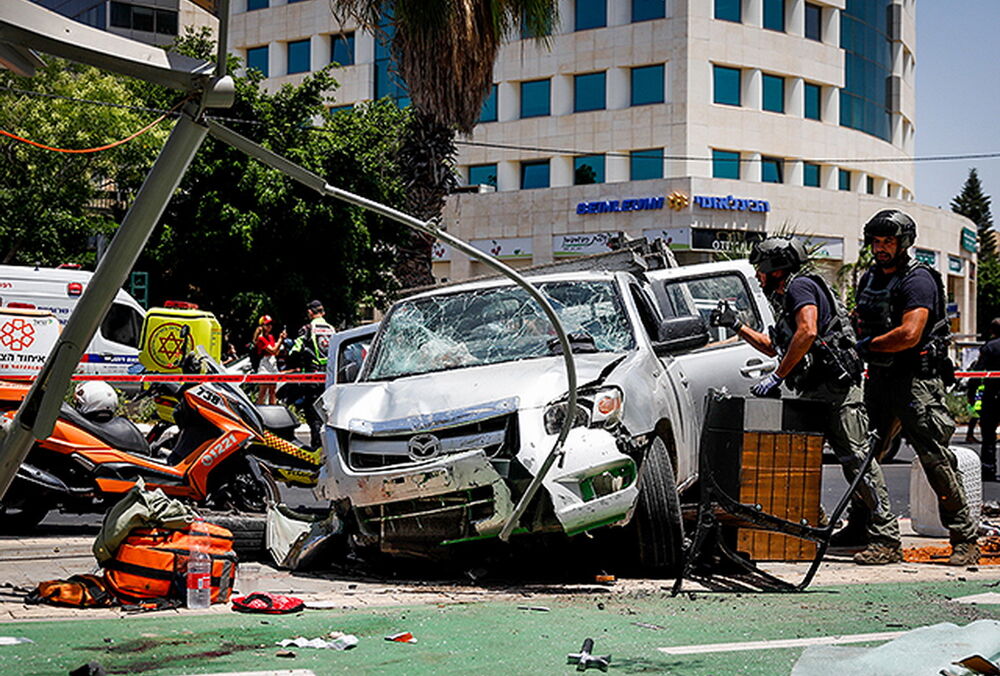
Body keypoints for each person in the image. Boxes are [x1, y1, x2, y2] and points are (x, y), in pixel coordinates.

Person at [711, 236, 902, 565]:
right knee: (803, 460)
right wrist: (737, 325)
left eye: (761, 269)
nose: (758, 275)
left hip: (837, 393)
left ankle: (887, 538)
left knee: (858, 462)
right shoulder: (785, 296)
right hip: (814, 392)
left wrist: (777, 377)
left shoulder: (801, 287)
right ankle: (815, 526)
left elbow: (808, 331)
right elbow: (774, 346)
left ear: (775, 268)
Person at [854, 209, 979, 566]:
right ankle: (867, 529)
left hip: (916, 382)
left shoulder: (918, 280)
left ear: (904, 243)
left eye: (888, 241)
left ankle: (965, 537)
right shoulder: (870, 279)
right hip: (879, 379)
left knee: (935, 460)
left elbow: (910, 334)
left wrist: (865, 346)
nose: (881, 248)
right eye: (876, 242)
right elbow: (861, 320)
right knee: (864, 457)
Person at [288, 300, 335, 449]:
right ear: (323, 312)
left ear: (310, 312)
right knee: (328, 415)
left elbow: (294, 352)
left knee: (313, 416)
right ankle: (331, 447)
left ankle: (318, 448)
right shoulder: (332, 329)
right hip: (329, 378)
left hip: (312, 378)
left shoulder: (308, 329)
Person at [972, 318, 1000, 481]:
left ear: (992, 331)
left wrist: (972, 393)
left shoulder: (989, 347)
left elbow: (978, 373)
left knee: (988, 435)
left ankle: (988, 468)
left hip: (993, 395)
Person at [253, 315, 285, 406]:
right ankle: (260, 410)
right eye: (267, 324)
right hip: (264, 364)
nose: (270, 326)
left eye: (271, 324)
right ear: (262, 326)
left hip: (272, 362)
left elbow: (276, 352)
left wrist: (279, 342)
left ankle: (273, 408)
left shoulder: (271, 337)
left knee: (272, 391)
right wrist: (280, 340)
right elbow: (273, 350)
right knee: (263, 391)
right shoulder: (261, 338)